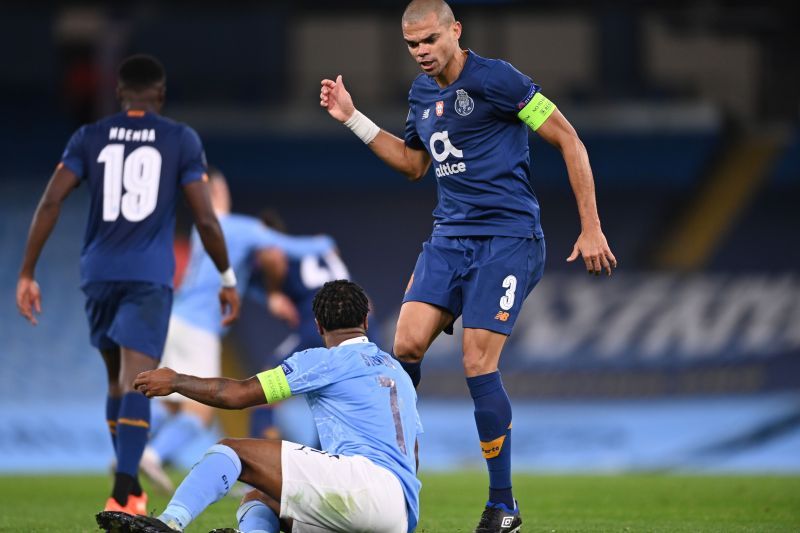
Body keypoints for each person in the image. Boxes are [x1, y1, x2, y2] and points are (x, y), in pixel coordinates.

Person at [320, 1, 617, 531]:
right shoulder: (420, 94)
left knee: (477, 362)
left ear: (456, 31)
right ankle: (397, 479)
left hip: (507, 239)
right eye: (412, 45)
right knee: (405, 343)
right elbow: (414, 165)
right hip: (450, 237)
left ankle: (503, 505)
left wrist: (590, 226)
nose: (422, 53)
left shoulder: (498, 80)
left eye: (430, 40)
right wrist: (353, 118)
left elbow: (568, 139)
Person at [16, 54, 240, 515]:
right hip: (146, 275)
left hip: (97, 273)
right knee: (136, 382)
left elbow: (51, 200)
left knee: (117, 384)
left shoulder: (89, 136)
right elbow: (205, 217)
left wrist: (26, 272)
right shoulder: (180, 139)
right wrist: (226, 276)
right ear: (159, 95)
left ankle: (129, 486)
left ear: (119, 95)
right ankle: (123, 494)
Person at [97, 280, 422, 533]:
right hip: (399, 514)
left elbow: (236, 395)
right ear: (366, 319)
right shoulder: (397, 372)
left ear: (319, 327)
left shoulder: (324, 360)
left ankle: (168, 523)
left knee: (233, 451)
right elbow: (414, 453)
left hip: (362, 486)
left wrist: (177, 381)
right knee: (260, 497)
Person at [140, 169, 337, 492]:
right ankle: (150, 453)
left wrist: (269, 296)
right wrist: (326, 242)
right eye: (222, 187)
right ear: (216, 193)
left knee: (170, 403)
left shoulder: (201, 232)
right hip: (198, 328)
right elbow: (290, 247)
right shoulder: (237, 228)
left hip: (175, 319)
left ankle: (131, 441)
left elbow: (232, 280)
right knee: (200, 413)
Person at [247, 209, 351, 442]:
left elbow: (273, 256)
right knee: (330, 396)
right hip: (355, 333)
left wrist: (273, 293)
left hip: (319, 327)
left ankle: (258, 457)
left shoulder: (277, 250)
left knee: (265, 383)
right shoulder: (316, 247)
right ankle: (324, 458)